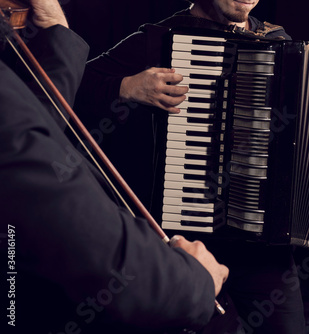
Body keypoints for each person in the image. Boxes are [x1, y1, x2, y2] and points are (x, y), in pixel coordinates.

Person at [74, 1, 309, 333]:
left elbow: (305, 143)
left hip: (265, 252)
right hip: (186, 246)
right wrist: (127, 87)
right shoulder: (159, 38)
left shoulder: (280, 43)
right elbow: (65, 88)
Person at [0, 1, 228, 333]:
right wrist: (194, 282)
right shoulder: (160, 34)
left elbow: (36, 130)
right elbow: (99, 255)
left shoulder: (275, 36)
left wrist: (58, 31)